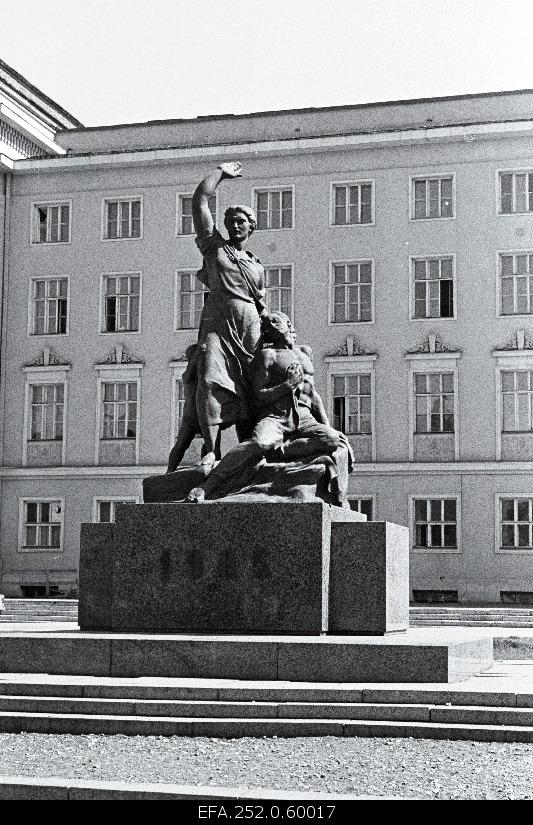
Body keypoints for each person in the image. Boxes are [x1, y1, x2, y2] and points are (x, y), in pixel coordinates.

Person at [187, 312, 353, 505]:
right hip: (277, 417)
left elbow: (313, 396)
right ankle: (207, 486)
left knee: (332, 439)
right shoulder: (268, 356)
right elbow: (257, 396)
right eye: (270, 325)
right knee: (258, 443)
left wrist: (331, 428)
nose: (277, 327)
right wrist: (287, 386)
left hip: (306, 419)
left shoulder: (305, 353)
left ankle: (278, 452)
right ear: (267, 332)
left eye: (280, 322)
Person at [191, 161, 266, 471]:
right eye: (231, 221)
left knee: (250, 390)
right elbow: (199, 201)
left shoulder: (257, 266)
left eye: (241, 222)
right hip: (218, 323)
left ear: (251, 227)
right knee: (209, 381)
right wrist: (220, 173)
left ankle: (250, 456)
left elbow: (262, 306)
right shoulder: (214, 248)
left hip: (249, 325)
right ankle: (211, 450)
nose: (235, 225)